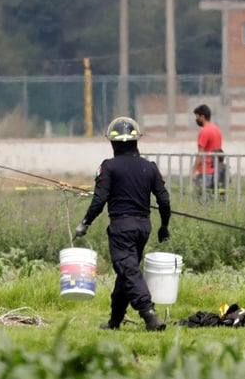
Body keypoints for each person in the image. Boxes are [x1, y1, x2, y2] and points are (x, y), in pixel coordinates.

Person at [74, 116, 172, 331]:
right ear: (136, 140)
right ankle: (115, 321)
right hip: (143, 228)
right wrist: (164, 226)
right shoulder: (150, 167)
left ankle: (149, 314)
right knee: (126, 271)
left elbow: (99, 200)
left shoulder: (108, 167)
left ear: (112, 142)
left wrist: (85, 223)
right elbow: (164, 200)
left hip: (121, 228)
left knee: (128, 270)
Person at [191, 104, 223, 189]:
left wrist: (194, 171)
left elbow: (200, 154)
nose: (196, 119)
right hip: (216, 169)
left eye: (197, 116)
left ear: (202, 117)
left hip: (205, 170)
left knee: (201, 197)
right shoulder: (217, 129)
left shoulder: (204, 131)